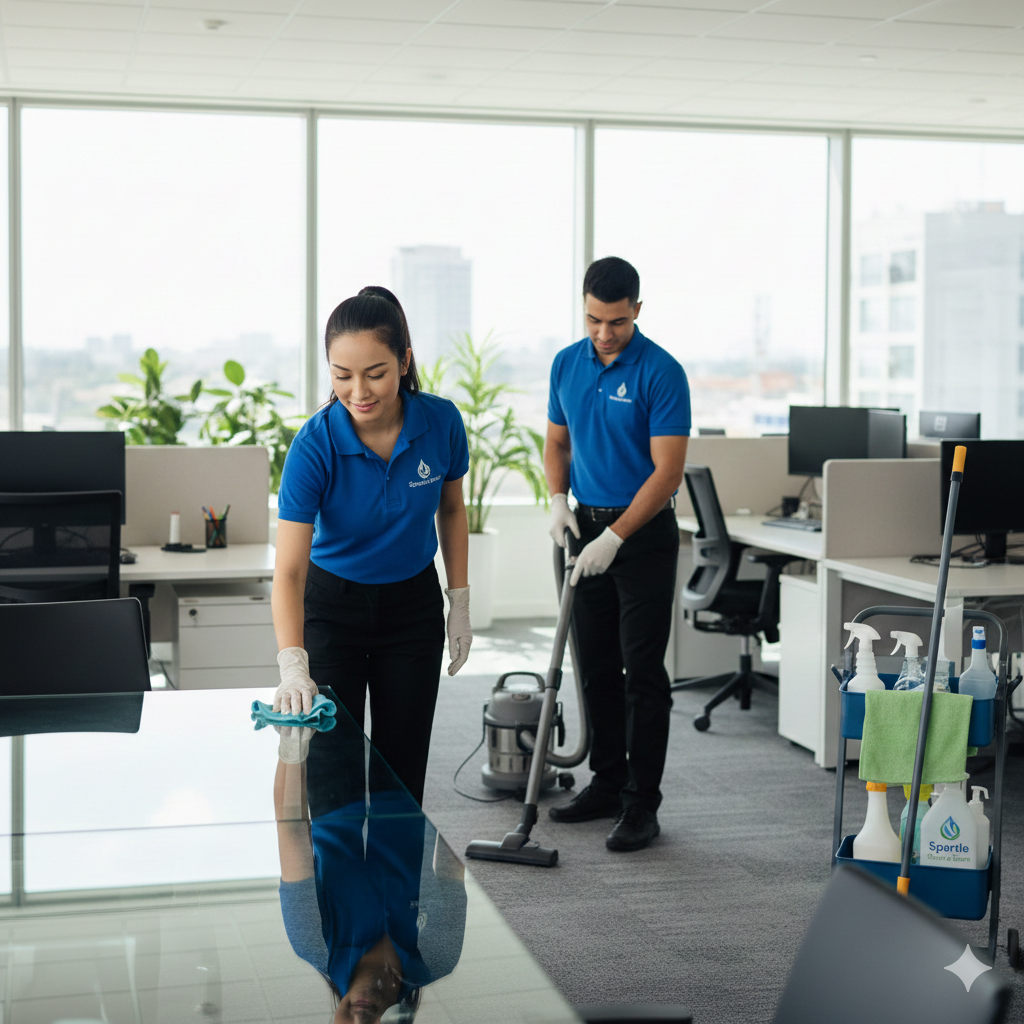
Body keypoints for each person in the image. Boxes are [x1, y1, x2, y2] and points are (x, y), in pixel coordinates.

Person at [271, 286, 471, 807]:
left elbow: (451, 509)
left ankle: (399, 892)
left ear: (404, 361)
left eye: (375, 373)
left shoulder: (441, 422)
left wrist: (461, 601)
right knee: (332, 779)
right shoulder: (314, 446)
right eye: (342, 375)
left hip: (412, 608)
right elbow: (289, 572)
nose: (358, 390)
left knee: (400, 779)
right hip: (332, 611)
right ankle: (338, 889)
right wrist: (293, 663)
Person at [544, 257, 690, 852]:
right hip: (583, 527)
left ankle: (640, 803)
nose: (603, 333)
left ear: (637, 310)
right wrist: (558, 499)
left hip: (643, 536)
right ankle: (606, 782)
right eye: (593, 319)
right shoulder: (565, 364)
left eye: (617, 321)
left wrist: (617, 536)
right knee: (595, 666)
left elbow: (668, 472)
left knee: (642, 674)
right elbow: (557, 441)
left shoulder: (662, 371)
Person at [275, 702, 467, 1024]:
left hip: (332, 797)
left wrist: (293, 749)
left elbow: (292, 831)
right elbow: (451, 869)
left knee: (330, 689)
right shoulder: (436, 959)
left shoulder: (312, 945)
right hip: (406, 796)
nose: (360, 1023)